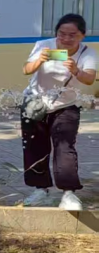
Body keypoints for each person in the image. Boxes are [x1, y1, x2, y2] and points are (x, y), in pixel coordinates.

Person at [21, 13, 97, 210]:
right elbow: (26, 70)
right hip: (35, 102)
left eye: (72, 35)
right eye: (62, 34)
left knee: (65, 146)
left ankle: (68, 193)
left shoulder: (88, 53)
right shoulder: (43, 45)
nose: (66, 39)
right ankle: (40, 189)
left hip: (67, 105)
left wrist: (76, 71)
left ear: (82, 35)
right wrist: (39, 60)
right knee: (35, 146)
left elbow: (89, 79)